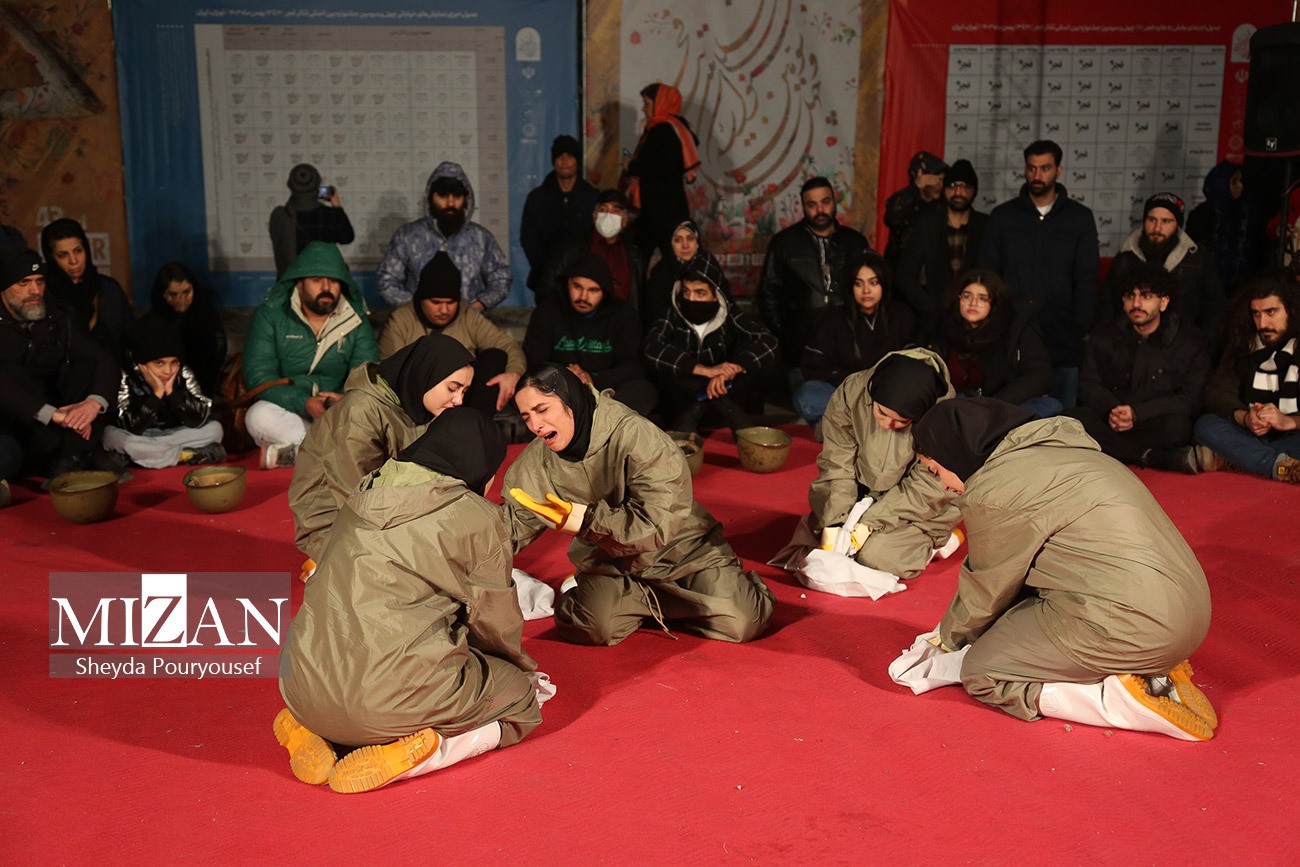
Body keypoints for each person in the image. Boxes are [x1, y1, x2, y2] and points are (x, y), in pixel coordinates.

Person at [909, 397, 1216, 741]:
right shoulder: (1067, 450)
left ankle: (1114, 699)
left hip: (1134, 624)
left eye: (936, 470)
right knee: (1018, 619)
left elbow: (987, 588)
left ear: (953, 452)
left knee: (983, 670)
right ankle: (1154, 669)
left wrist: (945, 641)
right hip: (1192, 612)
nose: (943, 484)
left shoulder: (996, 488)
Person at [277, 409, 550, 793]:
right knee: (519, 700)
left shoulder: (365, 491)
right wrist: (513, 669)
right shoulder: (476, 517)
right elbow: (493, 622)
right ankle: (420, 752)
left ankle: (312, 731)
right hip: (384, 701)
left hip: (300, 685)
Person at [503, 363, 774, 646]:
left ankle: (667, 598)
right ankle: (642, 601)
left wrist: (588, 520)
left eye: (542, 410)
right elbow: (511, 524)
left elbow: (658, 523)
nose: (535, 425)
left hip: (681, 551)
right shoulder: (538, 459)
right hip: (612, 562)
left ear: (570, 399)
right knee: (589, 627)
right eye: (526, 416)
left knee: (744, 622)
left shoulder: (635, 434)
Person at [289, 331, 474, 570]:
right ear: (425, 374)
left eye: (464, 391)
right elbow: (357, 498)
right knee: (422, 572)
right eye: (452, 388)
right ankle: (329, 567)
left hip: (389, 508)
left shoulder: (417, 403)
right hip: (336, 520)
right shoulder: (360, 412)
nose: (459, 400)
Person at [808, 349, 959, 580]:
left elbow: (930, 486)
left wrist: (871, 522)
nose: (887, 425)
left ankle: (937, 542)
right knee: (825, 537)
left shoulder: (944, 415)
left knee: (876, 558)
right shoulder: (853, 392)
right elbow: (837, 461)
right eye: (881, 412)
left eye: (902, 421)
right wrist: (837, 519)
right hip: (865, 491)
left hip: (921, 504)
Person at [979, 140, 1099, 408]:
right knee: (1011, 417)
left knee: (1062, 419)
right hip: (1012, 335)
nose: (1037, 175)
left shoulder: (1079, 218)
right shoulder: (1003, 216)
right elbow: (988, 274)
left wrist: (1080, 325)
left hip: (1063, 338)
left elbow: (1087, 277)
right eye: (1032, 168)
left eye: (1045, 168)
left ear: (1058, 170)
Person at [243, 241, 379, 469]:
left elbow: (367, 375)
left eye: (333, 281)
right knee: (257, 415)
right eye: (316, 280)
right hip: (290, 412)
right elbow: (259, 377)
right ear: (299, 282)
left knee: (370, 414)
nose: (326, 288)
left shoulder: (356, 320)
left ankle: (297, 453)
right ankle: (331, 453)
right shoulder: (271, 316)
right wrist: (304, 402)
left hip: (336, 411)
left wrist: (344, 399)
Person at [0, 248, 121, 490]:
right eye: (24, 283)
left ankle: (71, 457)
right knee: (7, 455)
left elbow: (104, 360)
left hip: (56, 424)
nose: (35, 291)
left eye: (39, 281)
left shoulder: (56, 318)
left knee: (87, 364)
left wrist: (91, 405)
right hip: (12, 424)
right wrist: (53, 415)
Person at [1070, 265, 1208, 473]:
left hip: (1151, 423)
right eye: (1130, 296)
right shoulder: (1102, 336)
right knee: (1071, 419)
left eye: (1146, 296)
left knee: (1179, 427)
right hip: (1112, 421)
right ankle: (1150, 457)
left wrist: (1137, 414)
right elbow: (1088, 384)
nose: (1136, 304)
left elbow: (1190, 399)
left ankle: (1117, 450)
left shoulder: (1189, 342)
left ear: (1163, 302)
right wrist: (1112, 410)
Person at [377, 251, 524, 414]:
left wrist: (514, 373)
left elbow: (508, 346)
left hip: (462, 399)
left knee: (495, 356)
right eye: (436, 302)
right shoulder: (401, 320)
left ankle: (473, 422)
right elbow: (390, 372)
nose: (444, 310)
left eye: (451, 302)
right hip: (417, 401)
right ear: (421, 299)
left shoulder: (468, 316)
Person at [644, 256, 778, 434]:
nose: (691, 298)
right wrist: (705, 371)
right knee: (670, 369)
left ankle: (707, 404)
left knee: (750, 365)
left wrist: (733, 368)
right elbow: (652, 348)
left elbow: (768, 341)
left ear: (715, 295)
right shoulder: (672, 314)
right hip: (683, 397)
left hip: (724, 389)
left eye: (700, 293)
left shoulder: (728, 313)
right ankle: (719, 411)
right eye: (686, 291)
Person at [758, 176, 872, 373]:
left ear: (834, 201)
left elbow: (871, 285)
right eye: (812, 204)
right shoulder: (784, 242)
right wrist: (786, 331)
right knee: (806, 389)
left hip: (850, 337)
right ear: (803, 207)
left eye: (825, 202)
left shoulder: (855, 242)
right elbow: (768, 292)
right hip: (800, 342)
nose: (820, 210)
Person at [1193, 273, 1300, 482]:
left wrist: (1288, 421)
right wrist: (1245, 417)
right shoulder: (1243, 346)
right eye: (1256, 314)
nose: (1262, 323)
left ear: (1292, 310)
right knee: (1205, 426)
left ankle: (1237, 460)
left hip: (1292, 435)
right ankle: (1278, 465)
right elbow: (1218, 393)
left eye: (1271, 312)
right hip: (1250, 433)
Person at [523, 252, 656, 417]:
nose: (583, 297)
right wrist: (565, 377)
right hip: (558, 389)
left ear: (604, 292)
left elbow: (633, 366)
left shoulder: (623, 315)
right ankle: (594, 420)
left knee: (644, 391)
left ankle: (592, 419)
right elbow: (534, 361)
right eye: (577, 287)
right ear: (568, 284)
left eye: (593, 290)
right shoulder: (547, 311)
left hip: (605, 392)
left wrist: (592, 379)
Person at [795, 250, 915, 427]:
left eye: (873, 283)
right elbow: (815, 366)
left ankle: (844, 426)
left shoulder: (901, 315)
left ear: (884, 284)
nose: (866, 290)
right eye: (859, 284)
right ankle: (857, 425)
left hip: (886, 395)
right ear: (851, 287)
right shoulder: (834, 319)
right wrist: (853, 384)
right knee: (807, 396)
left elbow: (912, 361)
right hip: (846, 393)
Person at [1099, 193, 1225, 354]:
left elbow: (1215, 308)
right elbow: (1107, 305)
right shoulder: (1126, 257)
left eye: (1166, 221)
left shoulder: (1198, 259)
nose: (1157, 228)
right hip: (1129, 351)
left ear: (1178, 226)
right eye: (1152, 220)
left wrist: (1203, 348)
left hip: (1183, 352)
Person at [377, 161, 512, 309]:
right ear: (430, 198)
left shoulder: (481, 238)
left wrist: (478, 306)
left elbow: (501, 277)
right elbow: (387, 280)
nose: (450, 203)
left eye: (457, 196)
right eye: (443, 195)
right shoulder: (407, 236)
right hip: (417, 321)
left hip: (469, 321)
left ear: (466, 200)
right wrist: (419, 309)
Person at [927, 269, 1060, 418]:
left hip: (1002, 404)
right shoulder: (943, 327)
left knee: (1049, 406)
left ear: (994, 301)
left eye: (983, 298)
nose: (973, 303)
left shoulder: (1015, 328)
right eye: (967, 296)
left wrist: (994, 405)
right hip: (957, 404)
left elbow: (1038, 374)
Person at [102, 318, 225, 468]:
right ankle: (185, 455)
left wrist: (173, 394)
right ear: (141, 364)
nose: (168, 371)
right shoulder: (126, 377)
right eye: (159, 363)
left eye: (173, 362)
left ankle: (142, 458)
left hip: (176, 433)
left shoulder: (183, 373)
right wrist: (156, 395)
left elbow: (200, 419)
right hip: (140, 436)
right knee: (113, 436)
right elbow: (131, 427)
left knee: (215, 429)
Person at [896, 158, 988, 339]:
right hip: (934, 322)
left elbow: (995, 275)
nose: (958, 192)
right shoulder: (927, 224)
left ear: (974, 191)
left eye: (965, 187)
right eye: (953, 186)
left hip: (978, 323)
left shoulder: (986, 226)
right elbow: (904, 276)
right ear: (944, 189)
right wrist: (929, 307)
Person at [623, 82, 700, 265]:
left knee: (641, 259)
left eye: (647, 104)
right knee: (672, 261)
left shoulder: (663, 130)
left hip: (660, 211)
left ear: (661, 104)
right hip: (665, 209)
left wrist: (631, 165)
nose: (643, 109)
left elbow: (658, 167)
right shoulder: (672, 128)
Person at [39, 218, 133, 363]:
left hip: (111, 370)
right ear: (51, 259)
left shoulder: (108, 289)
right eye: (63, 255)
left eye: (78, 251)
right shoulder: (43, 294)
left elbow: (129, 337)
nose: (73, 261)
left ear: (86, 250)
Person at [534, 189, 644, 309]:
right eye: (603, 210)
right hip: (578, 319)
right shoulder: (569, 250)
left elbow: (640, 299)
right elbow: (546, 291)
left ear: (625, 220)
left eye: (616, 211)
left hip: (622, 319)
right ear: (594, 215)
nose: (608, 215)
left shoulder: (635, 256)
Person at [520, 135, 600, 293]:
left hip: (584, 279)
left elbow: (597, 237)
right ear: (553, 161)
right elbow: (528, 238)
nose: (564, 161)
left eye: (570, 156)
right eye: (559, 156)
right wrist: (546, 269)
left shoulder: (592, 197)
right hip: (546, 279)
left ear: (577, 161)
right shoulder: (537, 197)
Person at [141, 262, 227, 395]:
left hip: (204, 389)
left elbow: (216, 354)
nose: (181, 299)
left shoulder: (207, 317)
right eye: (173, 294)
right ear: (163, 294)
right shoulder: (150, 325)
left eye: (186, 292)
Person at [1185, 160, 1266, 290]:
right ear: (1220, 184)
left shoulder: (1249, 213)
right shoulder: (1200, 216)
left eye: (1240, 181)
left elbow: (1259, 254)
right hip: (1204, 288)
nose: (1240, 186)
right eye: (1234, 182)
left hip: (1243, 290)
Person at [268, 163, 355, 278]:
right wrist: (336, 206)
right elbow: (347, 237)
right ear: (317, 186)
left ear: (290, 185)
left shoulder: (279, 216)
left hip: (290, 282)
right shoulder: (329, 215)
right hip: (323, 282)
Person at [642, 218, 727, 328]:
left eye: (690, 238)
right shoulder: (660, 272)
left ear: (697, 242)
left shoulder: (709, 266)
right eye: (678, 240)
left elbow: (726, 305)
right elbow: (653, 314)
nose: (685, 245)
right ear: (670, 244)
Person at [882, 150, 948, 267]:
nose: (940, 185)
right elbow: (891, 218)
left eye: (942, 179)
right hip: (900, 269)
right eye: (936, 179)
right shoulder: (904, 200)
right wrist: (915, 188)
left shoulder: (943, 205)